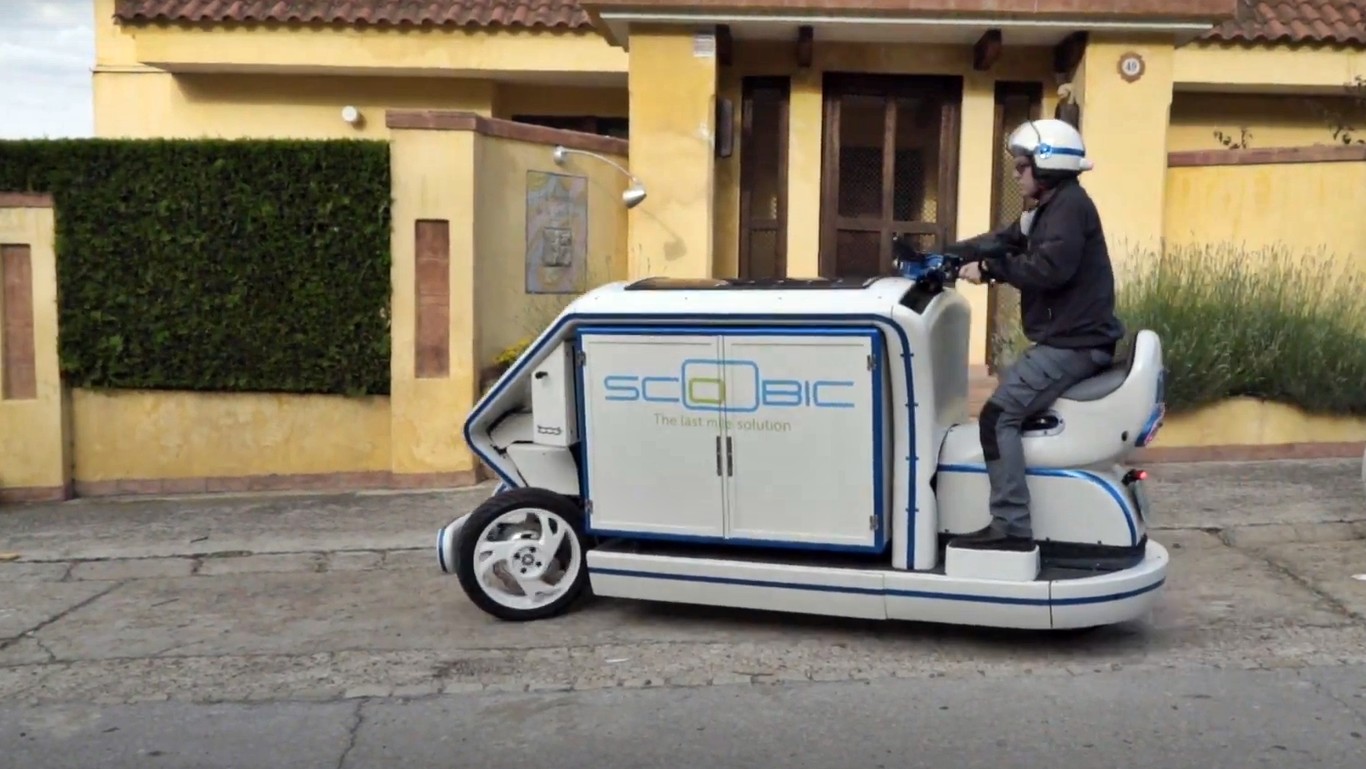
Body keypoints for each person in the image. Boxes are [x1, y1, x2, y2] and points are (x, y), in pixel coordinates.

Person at [945, 118, 1126, 552]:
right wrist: (950, 254)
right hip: (1070, 340)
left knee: (996, 417)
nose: (1016, 174)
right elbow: (1004, 240)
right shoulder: (1047, 208)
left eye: (1022, 166)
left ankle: (1011, 526)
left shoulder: (1069, 208)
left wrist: (989, 269)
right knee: (1009, 404)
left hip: (1076, 345)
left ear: (1047, 167)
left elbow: (1049, 269)